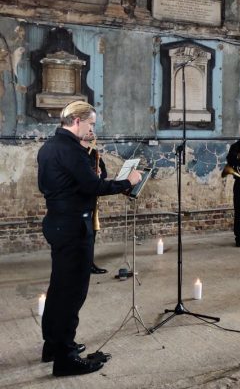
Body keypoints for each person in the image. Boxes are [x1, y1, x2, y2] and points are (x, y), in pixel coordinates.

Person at [38, 101, 141, 377]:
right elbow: (93, 185)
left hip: (58, 222)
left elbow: (59, 183)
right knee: (72, 293)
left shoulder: (49, 147)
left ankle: (53, 346)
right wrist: (128, 182)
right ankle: (66, 358)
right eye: (91, 124)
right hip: (73, 227)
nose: (92, 129)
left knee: (59, 288)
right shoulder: (70, 149)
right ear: (76, 121)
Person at [80, 135, 107, 274]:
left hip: (92, 198)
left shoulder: (95, 154)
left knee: (92, 234)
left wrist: (100, 174)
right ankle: (81, 265)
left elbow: (104, 174)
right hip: (80, 201)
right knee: (81, 235)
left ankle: (89, 264)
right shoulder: (77, 154)